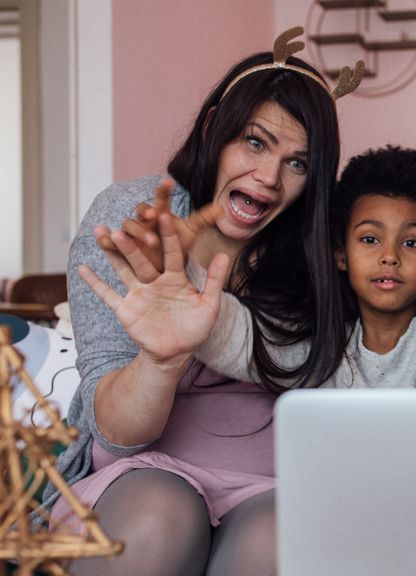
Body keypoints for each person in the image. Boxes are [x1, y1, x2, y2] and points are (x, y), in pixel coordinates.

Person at [48, 28, 361, 576]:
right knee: (160, 518)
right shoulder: (133, 214)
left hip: (276, 478)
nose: (268, 178)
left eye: (298, 163)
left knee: (279, 541)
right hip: (141, 464)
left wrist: (213, 326)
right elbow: (118, 435)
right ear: (216, 125)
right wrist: (161, 358)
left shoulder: (322, 248)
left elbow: (315, 374)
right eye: (256, 142)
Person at [139, 145, 416, 388]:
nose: (390, 256)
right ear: (340, 254)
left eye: (411, 243)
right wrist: (181, 270)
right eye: (369, 239)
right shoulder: (320, 347)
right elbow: (236, 337)